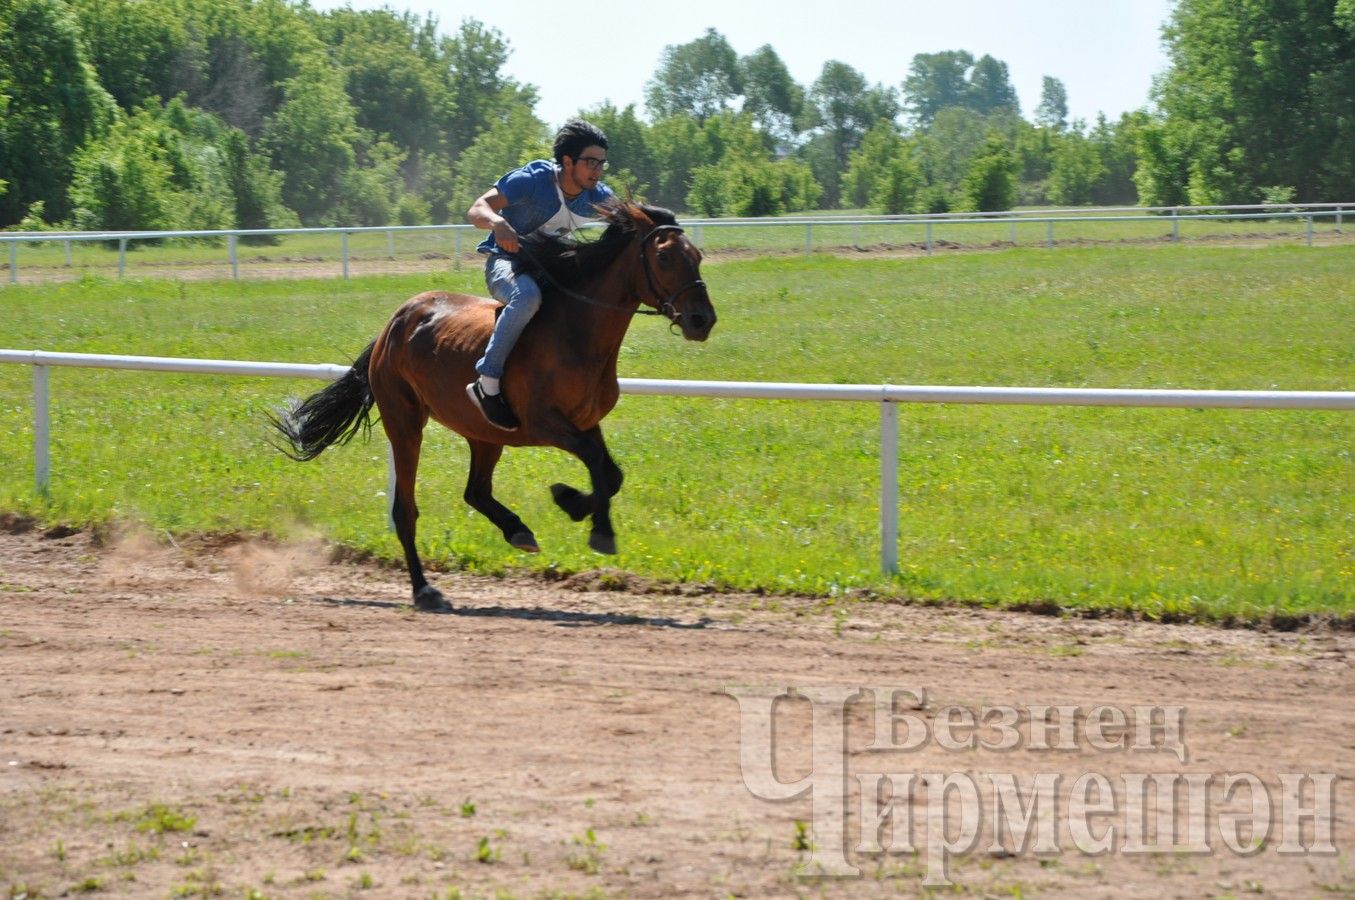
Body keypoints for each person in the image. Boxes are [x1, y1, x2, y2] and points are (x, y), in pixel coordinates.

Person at [464, 119, 616, 431]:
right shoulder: (533, 179)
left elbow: (631, 216)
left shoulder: (596, 194)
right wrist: (497, 222)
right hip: (505, 265)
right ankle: (487, 380)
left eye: (601, 163)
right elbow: (477, 208)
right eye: (591, 162)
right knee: (528, 297)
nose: (597, 170)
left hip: (549, 270)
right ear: (567, 161)